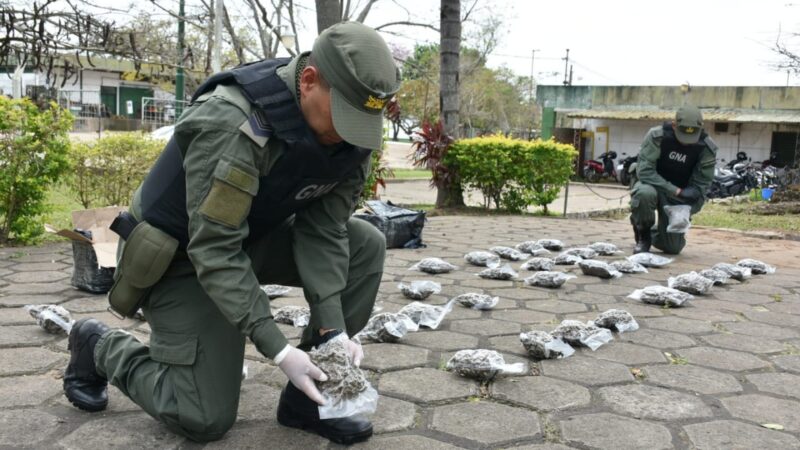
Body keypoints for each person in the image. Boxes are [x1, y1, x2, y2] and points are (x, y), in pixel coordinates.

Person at [62, 22, 401, 445]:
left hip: (251, 239)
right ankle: (97, 346)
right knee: (202, 417)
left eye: (364, 119)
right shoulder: (234, 121)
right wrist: (278, 349)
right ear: (309, 81)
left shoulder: (352, 131)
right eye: (344, 116)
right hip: (182, 257)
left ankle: (310, 396)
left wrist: (332, 331)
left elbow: (325, 230)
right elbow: (214, 248)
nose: (349, 135)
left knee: (363, 245)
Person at [629, 105, 717, 254]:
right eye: (682, 135)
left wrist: (688, 206)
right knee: (645, 194)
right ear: (674, 125)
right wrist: (675, 191)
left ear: (701, 128)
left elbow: (702, 185)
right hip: (653, 185)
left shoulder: (706, 147)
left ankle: (654, 232)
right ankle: (643, 235)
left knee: (672, 248)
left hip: (678, 195)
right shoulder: (657, 136)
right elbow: (645, 172)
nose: (686, 142)